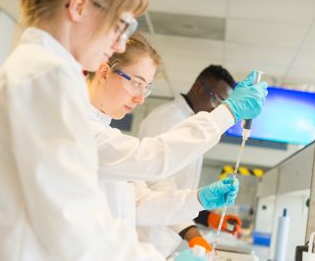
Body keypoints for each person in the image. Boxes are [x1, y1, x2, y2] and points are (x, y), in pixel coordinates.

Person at [0, 0, 182, 260]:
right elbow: (76, 224)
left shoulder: (38, 69)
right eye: (120, 26)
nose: (120, 44)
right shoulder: (47, 76)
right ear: (79, 6)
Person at [87, 29, 267, 257]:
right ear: (104, 72)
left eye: (147, 87)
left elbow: (139, 202)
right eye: (136, 83)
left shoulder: (105, 129)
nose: (140, 98)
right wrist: (228, 112)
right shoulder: (81, 130)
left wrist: (199, 200)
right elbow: (151, 159)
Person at [138, 65, 244, 256]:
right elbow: (157, 183)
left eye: (223, 105)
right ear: (198, 88)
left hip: (165, 239)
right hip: (145, 239)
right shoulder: (166, 118)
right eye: (217, 100)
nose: (216, 108)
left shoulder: (195, 124)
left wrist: (209, 218)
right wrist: (192, 235)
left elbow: (180, 189)